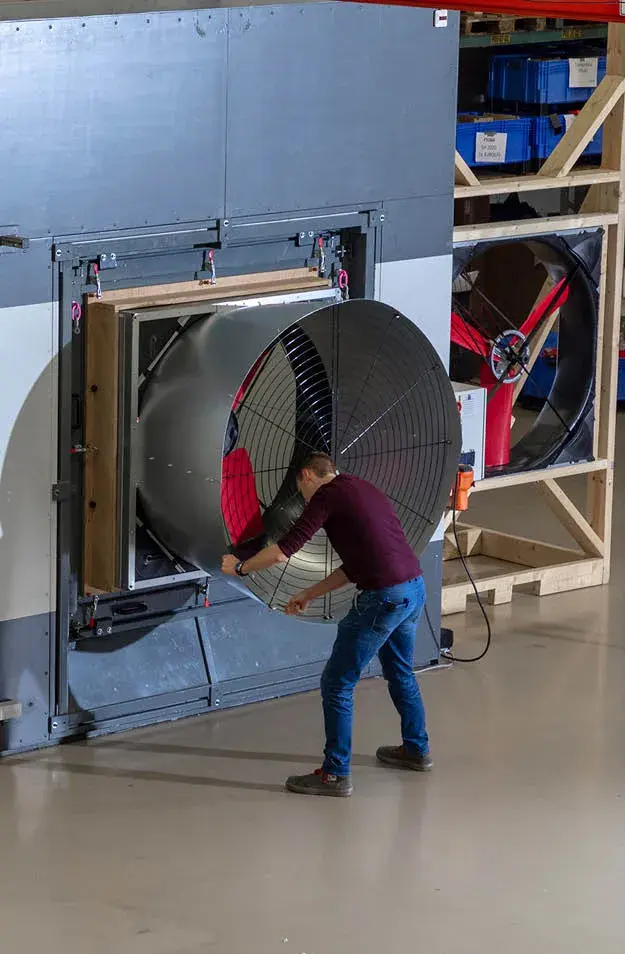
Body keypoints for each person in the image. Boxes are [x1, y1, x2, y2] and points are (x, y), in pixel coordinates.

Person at [221, 452, 432, 797]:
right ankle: (416, 749)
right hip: (412, 589)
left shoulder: (327, 495)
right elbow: (357, 564)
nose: (303, 498)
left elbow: (281, 552)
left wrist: (240, 567)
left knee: (336, 683)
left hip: (382, 599)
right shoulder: (361, 488)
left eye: (299, 488)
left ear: (307, 475)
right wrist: (309, 593)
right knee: (401, 672)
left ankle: (334, 774)